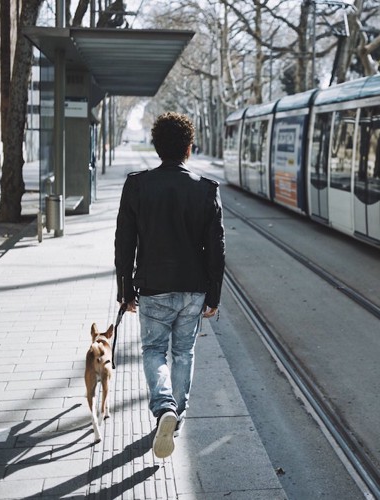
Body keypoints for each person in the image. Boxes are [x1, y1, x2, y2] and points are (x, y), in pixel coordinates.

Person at [114, 112, 225, 459]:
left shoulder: (137, 185)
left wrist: (124, 288)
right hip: (193, 288)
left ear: (157, 146)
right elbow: (217, 249)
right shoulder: (206, 190)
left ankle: (164, 407)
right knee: (183, 352)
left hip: (152, 285)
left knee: (152, 351)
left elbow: (124, 241)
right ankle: (175, 419)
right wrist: (214, 295)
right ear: (189, 149)